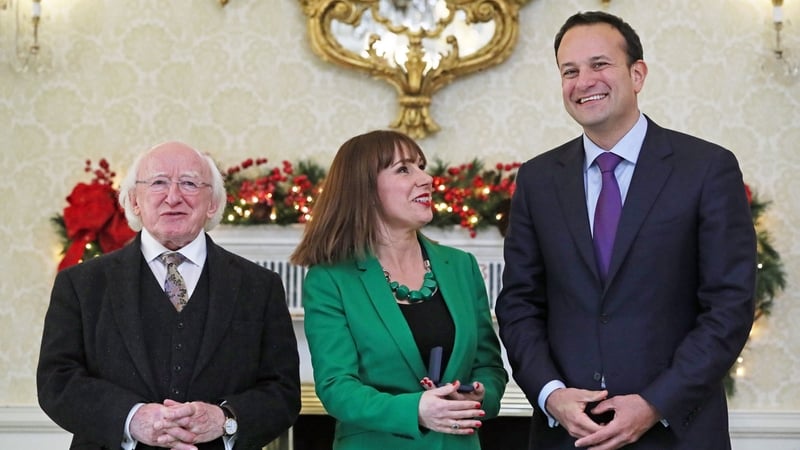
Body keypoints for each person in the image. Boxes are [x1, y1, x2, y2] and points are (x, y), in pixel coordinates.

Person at [495, 11, 757, 450]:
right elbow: (519, 304)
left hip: (677, 433)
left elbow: (728, 306)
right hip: (567, 436)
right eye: (569, 71)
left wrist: (655, 403)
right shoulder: (538, 179)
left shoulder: (707, 168)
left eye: (599, 64)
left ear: (637, 74)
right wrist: (550, 395)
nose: (584, 81)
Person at [37, 141, 301, 450]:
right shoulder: (81, 284)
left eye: (189, 183)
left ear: (212, 203)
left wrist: (225, 419)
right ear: (135, 201)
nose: (173, 197)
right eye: (159, 182)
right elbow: (57, 381)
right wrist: (132, 419)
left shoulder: (260, 287)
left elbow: (282, 392)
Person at [290, 130, 508, 449]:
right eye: (404, 169)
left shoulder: (462, 266)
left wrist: (480, 394)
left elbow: (489, 366)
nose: (427, 178)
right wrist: (415, 410)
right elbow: (337, 387)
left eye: (422, 166)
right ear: (365, 190)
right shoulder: (330, 279)